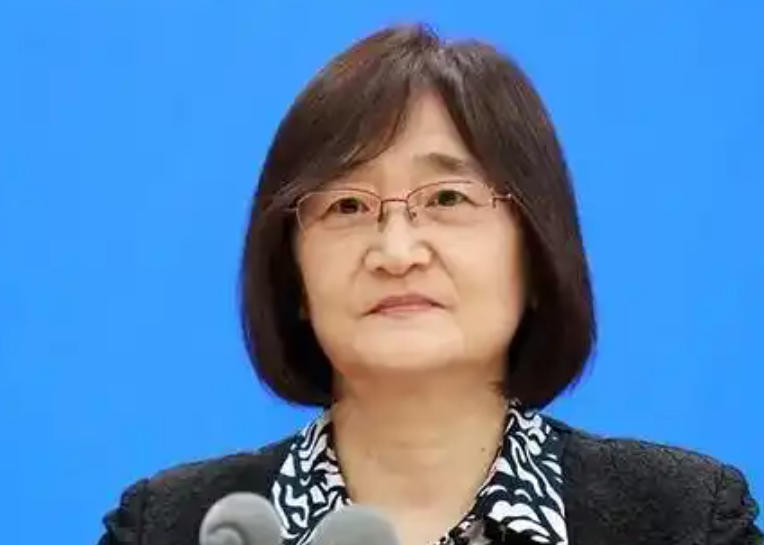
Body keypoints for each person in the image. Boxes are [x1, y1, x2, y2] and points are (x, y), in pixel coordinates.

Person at [96, 23, 762, 545]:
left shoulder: (681, 520)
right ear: (292, 275)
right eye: (347, 206)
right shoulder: (173, 526)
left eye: (446, 198)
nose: (396, 251)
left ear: (536, 253)